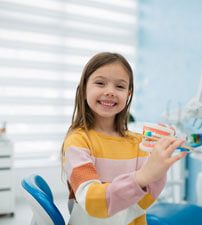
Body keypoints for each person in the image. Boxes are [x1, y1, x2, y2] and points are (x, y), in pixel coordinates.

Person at [61, 52, 188, 225]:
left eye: (119, 87)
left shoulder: (137, 143)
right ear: (84, 89)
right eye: (100, 83)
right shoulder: (77, 142)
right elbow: (91, 201)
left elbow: (144, 201)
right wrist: (142, 176)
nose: (110, 92)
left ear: (128, 94)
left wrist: (159, 162)